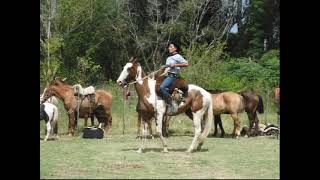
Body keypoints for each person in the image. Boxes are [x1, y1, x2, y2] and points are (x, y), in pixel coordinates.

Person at [160, 42, 189, 114]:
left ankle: (171, 103)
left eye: (170, 47)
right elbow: (167, 69)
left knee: (162, 87)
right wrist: (164, 67)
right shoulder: (168, 58)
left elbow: (186, 64)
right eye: (169, 47)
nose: (169, 48)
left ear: (175, 48)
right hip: (167, 75)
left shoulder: (178, 56)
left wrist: (175, 65)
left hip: (172, 76)